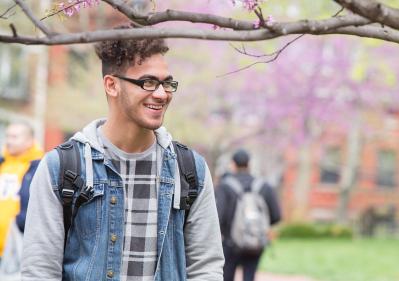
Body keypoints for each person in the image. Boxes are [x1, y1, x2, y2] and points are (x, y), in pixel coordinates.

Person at [21, 24, 224, 281]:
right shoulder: (62, 167)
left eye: (167, 83)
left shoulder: (189, 169)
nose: (161, 94)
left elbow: (206, 269)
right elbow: (39, 272)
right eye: (148, 82)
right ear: (111, 85)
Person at [215, 149, 281, 281]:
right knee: (249, 276)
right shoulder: (264, 186)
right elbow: (276, 215)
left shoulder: (225, 186)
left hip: (230, 243)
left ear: (233, 164)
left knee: (227, 276)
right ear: (249, 164)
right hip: (256, 242)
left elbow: (218, 216)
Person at [0, 122, 43, 267]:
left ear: (29, 141)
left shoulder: (39, 168)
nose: (9, 140)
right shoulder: (2, 163)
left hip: (18, 250)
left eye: (14, 137)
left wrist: (21, 223)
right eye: (7, 136)